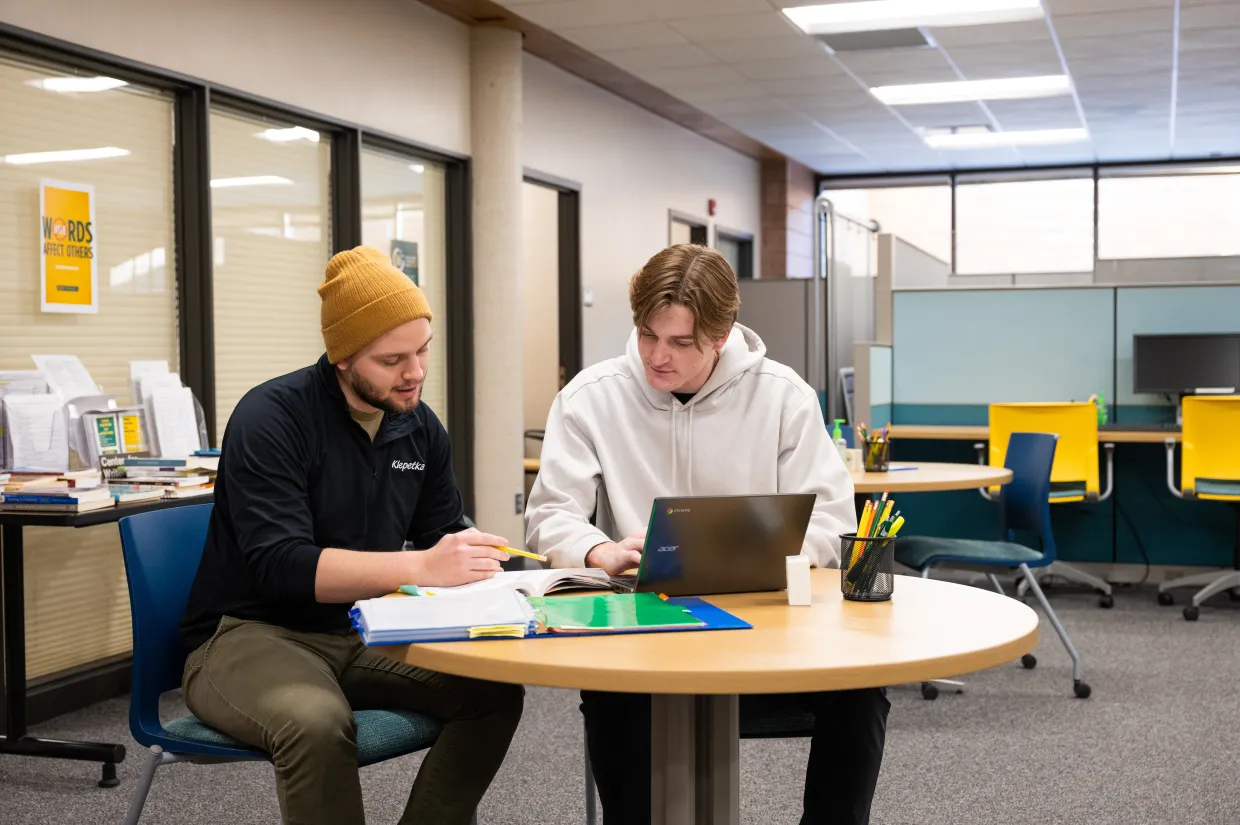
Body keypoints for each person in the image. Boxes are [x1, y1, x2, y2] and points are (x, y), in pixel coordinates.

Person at [525, 244, 889, 825]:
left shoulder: (782, 396)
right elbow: (548, 513)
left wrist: (773, 553)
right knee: (612, 698)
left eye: (680, 343)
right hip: (643, 631)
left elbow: (832, 518)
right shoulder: (590, 399)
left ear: (720, 336)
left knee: (861, 694)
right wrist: (599, 548)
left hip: (769, 628)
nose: (657, 357)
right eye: (648, 335)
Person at [180, 246, 524, 825]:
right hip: (249, 634)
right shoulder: (272, 418)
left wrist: (531, 575)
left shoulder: (416, 425)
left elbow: (444, 532)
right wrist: (420, 568)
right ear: (343, 359)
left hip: (363, 628)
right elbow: (283, 566)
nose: (414, 372)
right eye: (392, 360)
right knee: (316, 723)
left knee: (492, 690)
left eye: (422, 351)